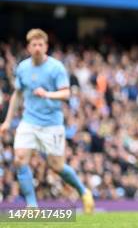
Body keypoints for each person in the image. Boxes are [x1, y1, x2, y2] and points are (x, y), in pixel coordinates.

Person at [0, 29, 94, 212]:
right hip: (29, 121)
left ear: (46, 47)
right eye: (33, 45)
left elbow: (67, 93)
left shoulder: (56, 67)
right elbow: (17, 96)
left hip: (51, 124)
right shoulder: (23, 68)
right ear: (28, 47)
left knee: (56, 166)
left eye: (40, 45)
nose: (37, 48)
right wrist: (6, 122)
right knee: (19, 159)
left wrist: (47, 94)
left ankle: (84, 192)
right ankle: (32, 206)